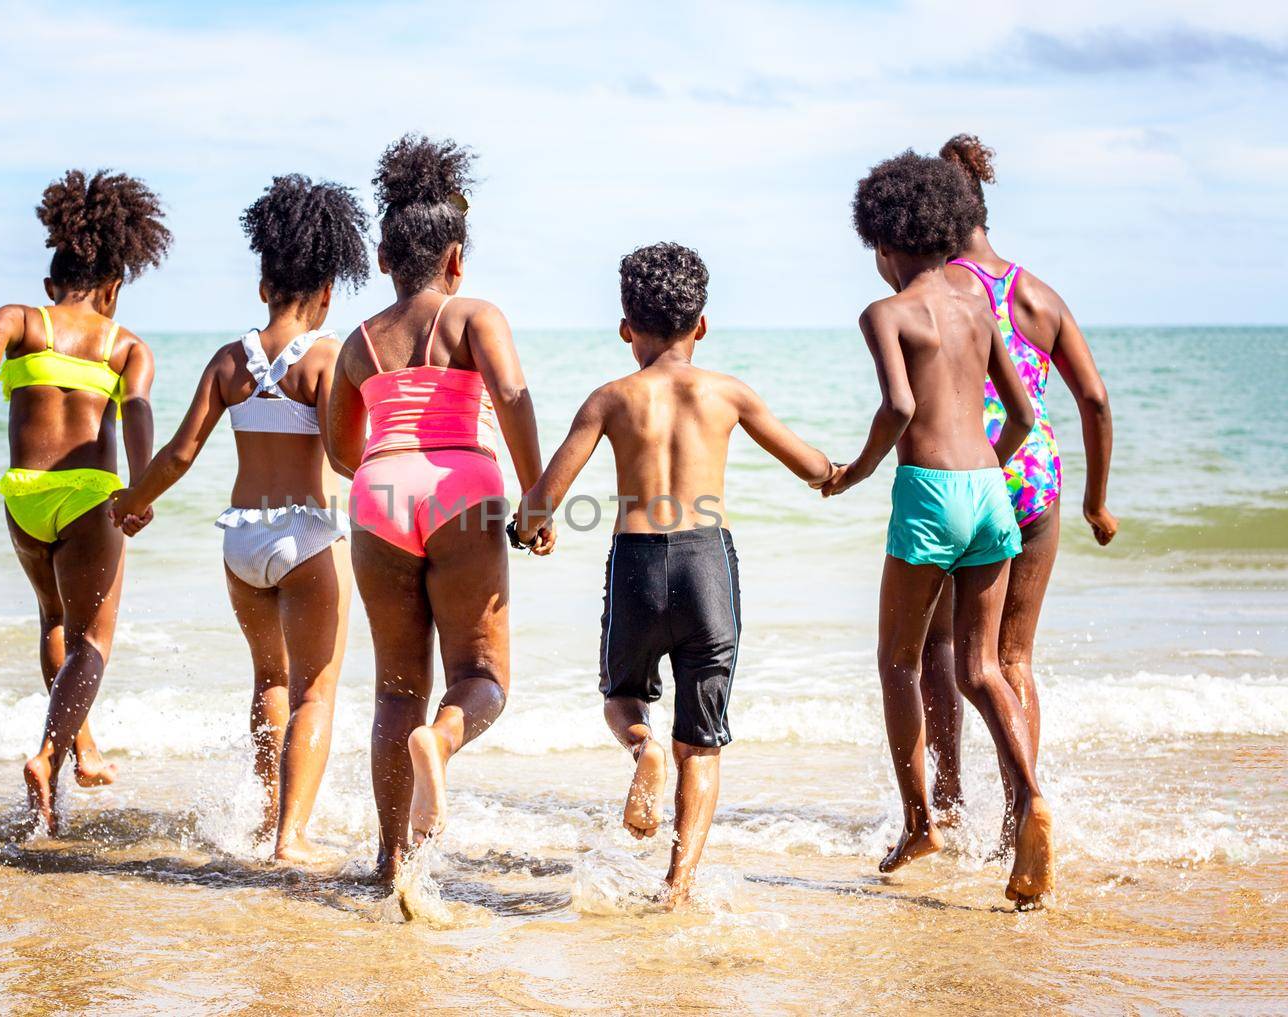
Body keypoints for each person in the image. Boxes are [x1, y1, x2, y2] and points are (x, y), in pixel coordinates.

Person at [514, 243, 835, 908]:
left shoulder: (610, 398)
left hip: (636, 560)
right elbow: (811, 466)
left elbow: (544, 496)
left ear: (627, 328)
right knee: (702, 739)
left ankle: (641, 752)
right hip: (706, 563)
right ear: (703, 324)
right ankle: (678, 883)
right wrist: (845, 470)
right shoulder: (728, 393)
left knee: (622, 696)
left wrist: (527, 529)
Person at [108, 174, 368, 863]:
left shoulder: (230, 360)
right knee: (316, 688)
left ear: (263, 287)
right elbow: (347, 458)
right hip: (305, 536)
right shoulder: (327, 357)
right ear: (325, 293)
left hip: (242, 541)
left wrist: (134, 501)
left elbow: (180, 452)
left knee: (270, 681)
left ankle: (259, 820)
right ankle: (291, 836)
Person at [821, 150, 1054, 906]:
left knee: (900, 661)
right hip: (992, 487)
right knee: (982, 668)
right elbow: (1022, 413)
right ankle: (1032, 801)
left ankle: (921, 821)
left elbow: (898, 409)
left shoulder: (886, 313)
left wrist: (855, 472)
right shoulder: (979, 305)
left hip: (928, 492)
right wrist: (988, 469)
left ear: (885, 243)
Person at [322, 135, 545, 885]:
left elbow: (338, 447)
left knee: (393, 688)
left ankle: (391, 862)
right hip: (462, 489)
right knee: (480, 673)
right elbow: (512, 395)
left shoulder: (357, 341)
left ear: (383, 259)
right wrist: (537, 496)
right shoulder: (475, 315)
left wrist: (388, 482)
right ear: (456, 258)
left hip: (379, 493)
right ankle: (442, 744)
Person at [0, 169, 170, 834]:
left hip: (24, 498)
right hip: (88, 499)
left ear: (52, 284)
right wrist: (139, 484)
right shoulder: (125, 344)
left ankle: (81, 744)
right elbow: (138, 414)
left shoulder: (24, 320)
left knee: (52, 620)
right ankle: (49, 754)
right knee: (94, 639)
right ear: (115, 287)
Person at [916, 135, 1118, 837]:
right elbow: (1093, 400)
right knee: (1012, 657)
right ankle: (1020, 812)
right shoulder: (1037, 293)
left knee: (941, 647)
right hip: (1036, 476)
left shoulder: (943, 289)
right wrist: (1095, 500)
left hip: (966, 471)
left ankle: (945, 798)